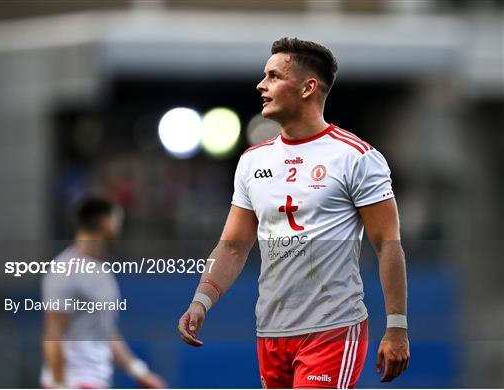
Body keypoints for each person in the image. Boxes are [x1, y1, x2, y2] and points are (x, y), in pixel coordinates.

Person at [178, 37, 410, 388]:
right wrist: (201, 301)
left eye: (273, 76)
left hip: (332, 329)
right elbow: (233, 247)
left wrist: (397, 326)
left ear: (307, 87)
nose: (261, 85)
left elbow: (387, 244)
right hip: (271, 331)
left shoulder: (356, 157)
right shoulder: (252, 161)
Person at [41, 195, 166, 388]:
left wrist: (139, 372)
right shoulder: (65, 270)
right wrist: (60, 384)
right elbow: (53, 333)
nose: (119, 228)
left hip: (94, 381)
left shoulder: (102, 272)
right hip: (74, 382)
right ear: (106, 223)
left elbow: (105, 331)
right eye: (117, 221)